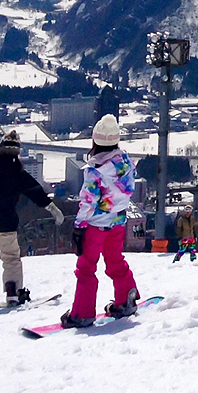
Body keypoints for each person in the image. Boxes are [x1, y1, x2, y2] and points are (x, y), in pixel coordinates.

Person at [0, 131, 65, 309]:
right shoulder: (16, 172)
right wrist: (51, 208)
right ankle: (13, 292)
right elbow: (35, 190)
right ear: (17, 152)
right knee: (10, 258)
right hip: (5, 222)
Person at [62, 115, 139, 329]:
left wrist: (79, 226)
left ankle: (82, 313)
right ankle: (127, 299)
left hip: (96, 225)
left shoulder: (95, 170)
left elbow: (88, 202)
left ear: (95, 141)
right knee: (115, 260)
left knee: (86, 267)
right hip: (118, 222)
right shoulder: (125, 162)